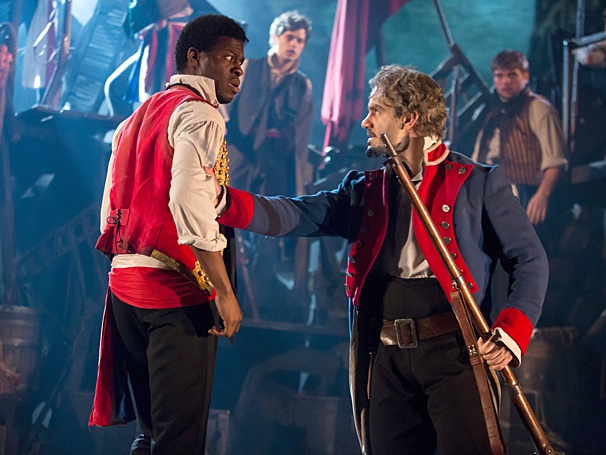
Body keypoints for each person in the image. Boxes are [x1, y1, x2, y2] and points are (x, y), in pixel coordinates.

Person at [214, 65, 549, 454]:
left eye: (376, 110)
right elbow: (298, 214)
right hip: (385, 353)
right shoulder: (367, 188)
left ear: (409, 119)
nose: (365, 121)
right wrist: (224, 202)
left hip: (456, 353)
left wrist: (511, 332)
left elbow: (529, 259)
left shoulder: (477, 182)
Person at [89, 14, 247, 455]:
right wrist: (224, 291)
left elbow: (109, 212)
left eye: (242, 62)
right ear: (195, 57)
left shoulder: (135, 117)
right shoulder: (200, 113)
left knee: (151, 435)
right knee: (178, 441)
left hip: (125, 290)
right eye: (229, 58)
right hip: (173, 293)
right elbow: (188, 200)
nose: (238, 69)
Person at [223, 10, 313, 320]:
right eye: (289, 37)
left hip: (275, 164)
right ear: (275, 38)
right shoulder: (248, 68)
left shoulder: (302, 86)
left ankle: (259, 302)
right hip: (239, 156)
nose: (294, 45)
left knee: (267, 227)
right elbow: (225, 109)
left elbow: (301, 140)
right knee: (227, 218)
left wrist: (298, 177)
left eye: (300, 40)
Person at [473, 49, 569, 253]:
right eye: (500, 75)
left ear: (525, 76)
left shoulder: (539, 109)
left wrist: (542, 196)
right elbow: (477, 158)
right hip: (491, 195)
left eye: (512, 75)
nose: (505, 81)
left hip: (525, 194)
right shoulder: (491, 113)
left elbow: (556, 161)